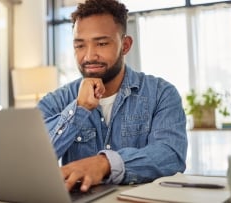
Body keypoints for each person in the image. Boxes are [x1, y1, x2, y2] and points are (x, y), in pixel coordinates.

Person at [38, 0, 187, 192]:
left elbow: (171, 156)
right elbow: (33, 161)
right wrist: (79, 110)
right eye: (80, 45)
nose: (89, 56)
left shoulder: (161, 93)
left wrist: (105, 164)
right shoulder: (56, 101)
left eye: (101, 43)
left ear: (125, 45)